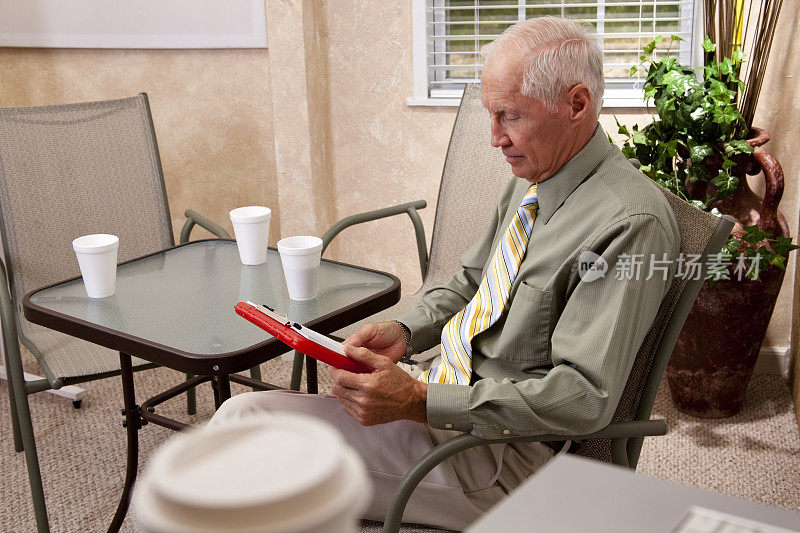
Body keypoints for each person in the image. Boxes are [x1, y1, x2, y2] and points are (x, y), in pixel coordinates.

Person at [210, 16, 679, 531]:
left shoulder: (629, 224)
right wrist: (405, 331)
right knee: (242, 429)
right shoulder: (534, 182)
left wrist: (421, 401)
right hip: (444, 401)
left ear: (577, 104)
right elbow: (472, 283)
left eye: (510, 116)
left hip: (502, 460)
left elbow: (584, 397)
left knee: (242, 432)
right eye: (490, 115)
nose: (495, 138)